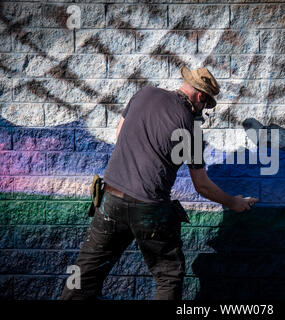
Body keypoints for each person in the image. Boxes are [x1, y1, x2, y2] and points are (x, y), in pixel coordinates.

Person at [60, 66, 258, 300]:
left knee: (85, 273)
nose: (202, 112)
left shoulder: (144, 93)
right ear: (201, 97)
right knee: (168, 276)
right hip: (149, 209)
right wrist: (232, 202)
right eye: (205, 106)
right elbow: (201, 185)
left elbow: (119, 134)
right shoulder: (190, 129)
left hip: (111, 199)